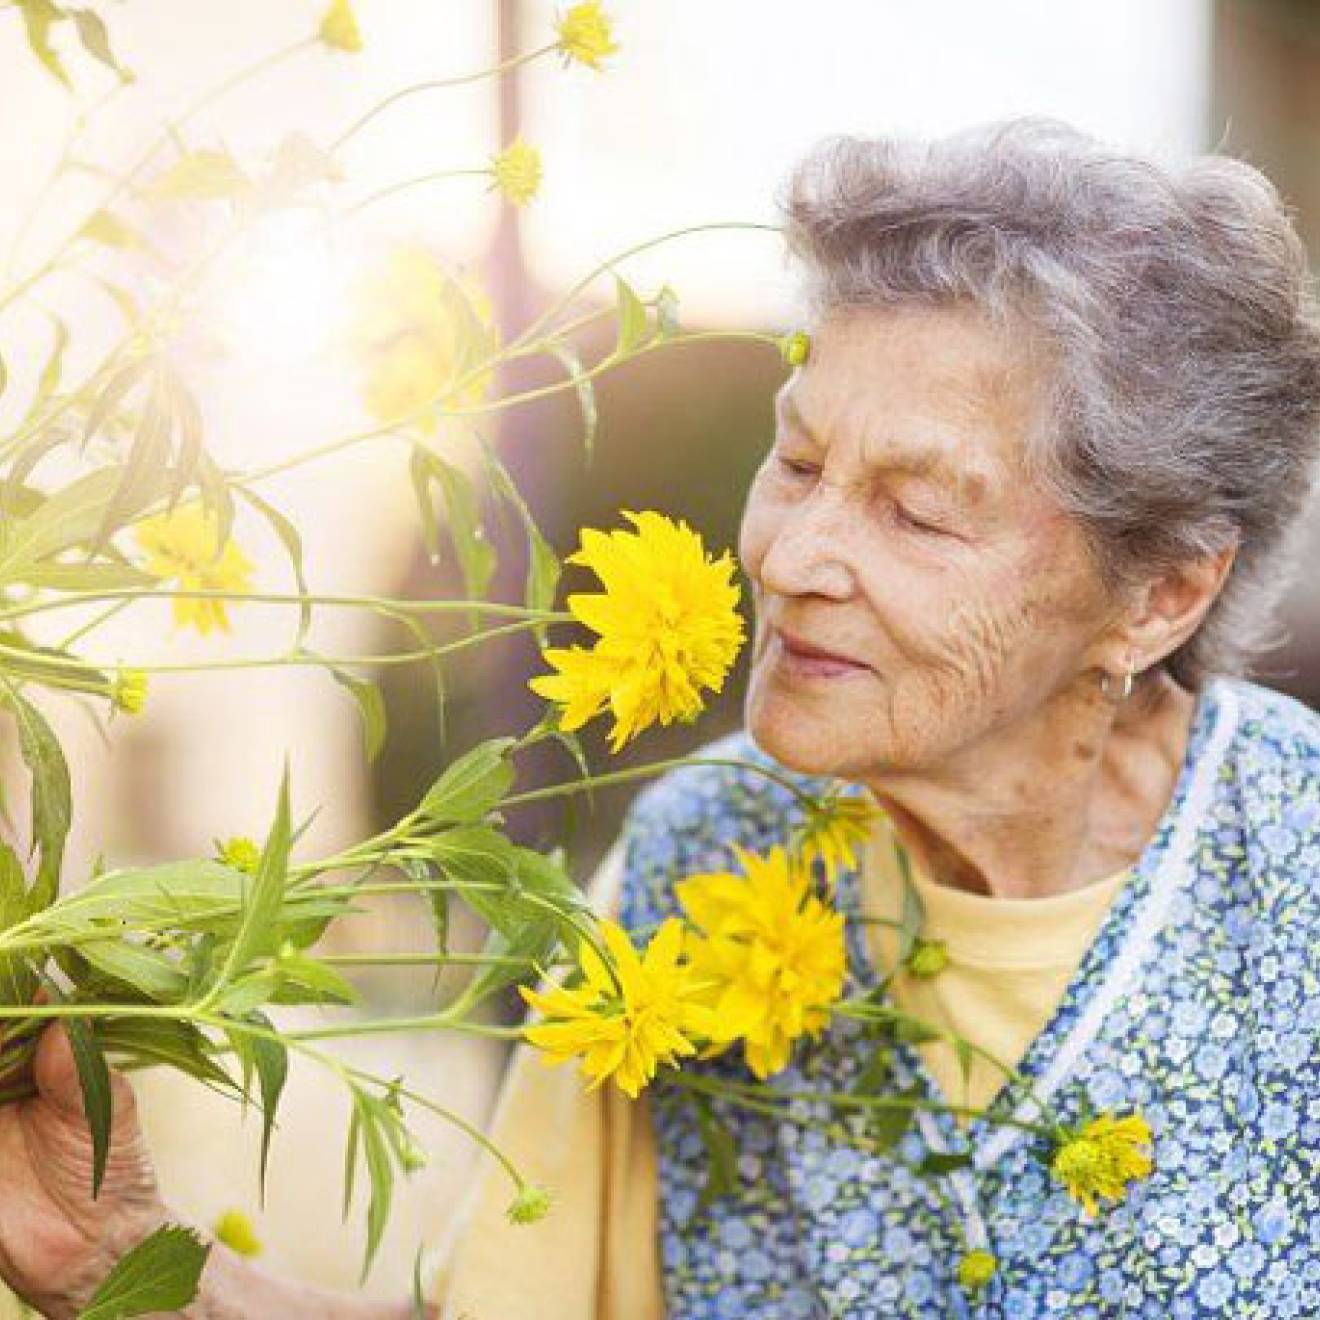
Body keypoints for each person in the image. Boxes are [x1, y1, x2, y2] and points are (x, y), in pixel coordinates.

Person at [3, 116, 1319, 1318]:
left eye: (917, 511)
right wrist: (118, 1260)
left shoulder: (1295, 862)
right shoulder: (699, 855)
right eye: (797, 460)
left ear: (1161, 594)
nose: (793, 552)